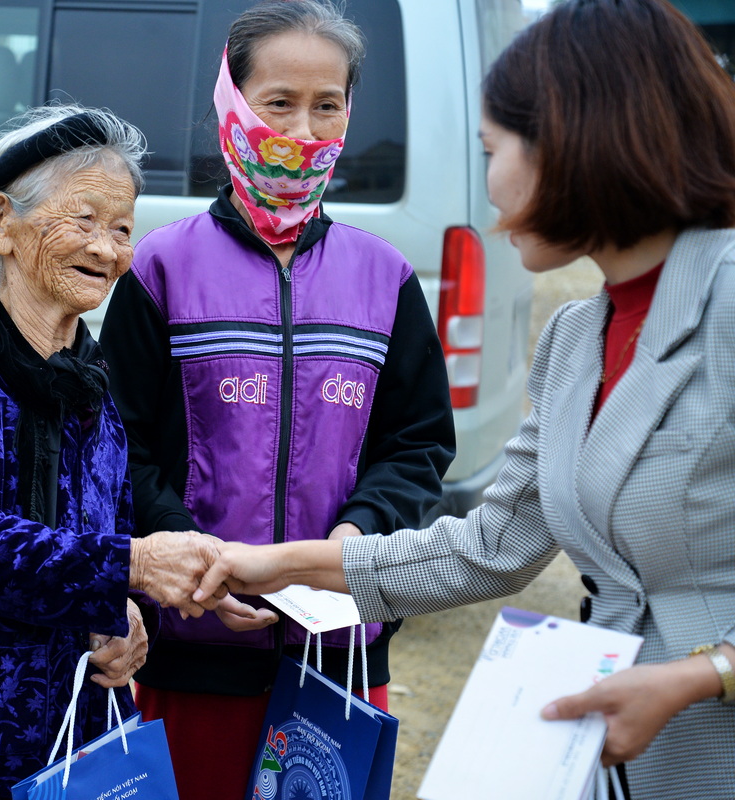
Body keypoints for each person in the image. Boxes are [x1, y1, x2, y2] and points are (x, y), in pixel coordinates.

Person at [195, 1, 735, 796]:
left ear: (579, 141)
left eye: (491, 150)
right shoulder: (576, 336)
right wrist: (279, 564)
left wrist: (707, 673)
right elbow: (491, 545)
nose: (488, 186)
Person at [98, 1, 456, 796]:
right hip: (192, 654)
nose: (301, 130)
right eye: (279, 103)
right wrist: (196, 560)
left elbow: (419, 443)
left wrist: (355, 541)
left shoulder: (386, 278)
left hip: (341, 661)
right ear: (231, 106)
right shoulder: (160, 269)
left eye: (326, 105)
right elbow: (118, 446)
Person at [0, 105, 263, 800]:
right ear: (2, 223)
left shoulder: (92, 384)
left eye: (122, 229)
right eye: (84, 220)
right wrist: (131, 566)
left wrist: (127, 616)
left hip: (78, 748)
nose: (108, 250)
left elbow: (104, 540)